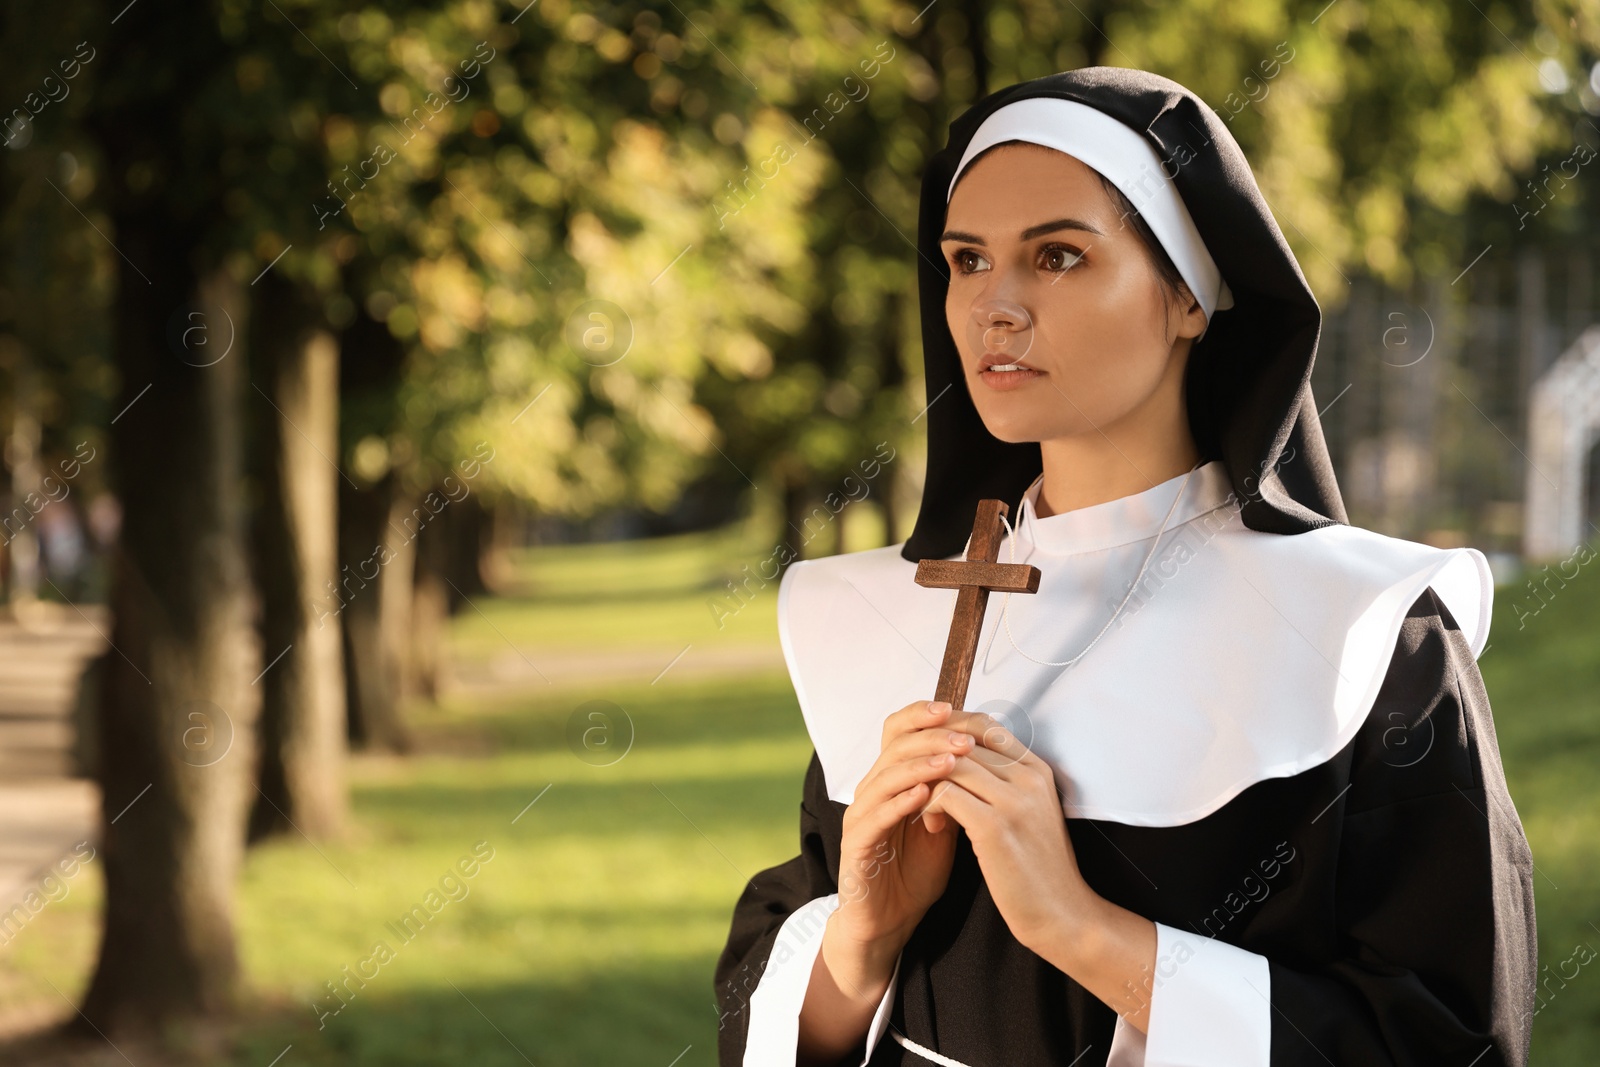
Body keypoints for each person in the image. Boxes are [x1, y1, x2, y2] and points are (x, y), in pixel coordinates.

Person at [715, 67, 1536, 1067]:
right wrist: (862, 936)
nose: (994, 308)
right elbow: (789, 983)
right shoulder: (892, 621)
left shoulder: (1365, 634)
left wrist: (1082, 930)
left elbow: (1448, 1037)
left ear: (1190, 297)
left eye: (1056, 255)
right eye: (965, 260)